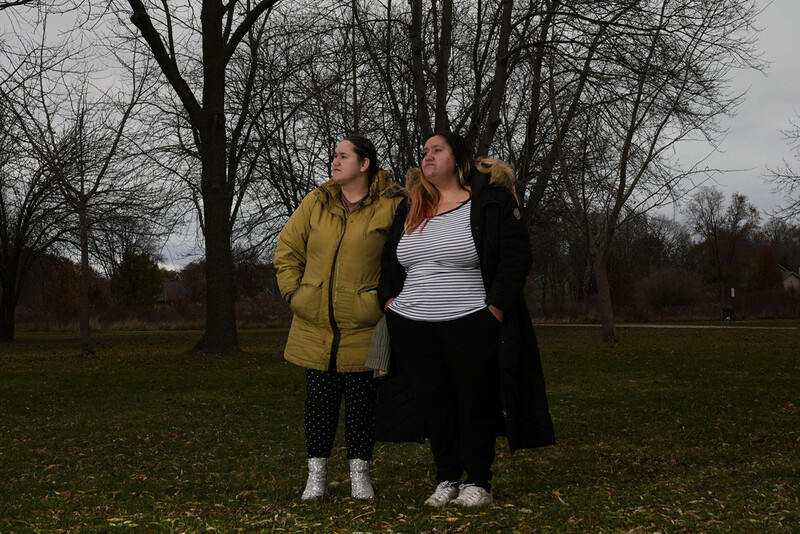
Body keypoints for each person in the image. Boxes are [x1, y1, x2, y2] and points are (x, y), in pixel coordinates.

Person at [377, 132, 555, 507]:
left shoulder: (491, 200)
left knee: (474, 401)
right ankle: (446, 479)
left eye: (437, 150)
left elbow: (515, 257)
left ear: (458, 159)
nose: (427, 156)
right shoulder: (411, 205)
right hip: (412, 324)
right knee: (435, 403)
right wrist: (390, 302)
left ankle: (478, 482)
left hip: (471, 319)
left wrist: (495, 310)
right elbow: (391, 261)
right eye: (424, 151)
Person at [274, 135, 404, 500]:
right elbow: (287, 250)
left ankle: (359, 476)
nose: (335, 162)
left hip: (364, 323)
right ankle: (316, 477)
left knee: (362, 405)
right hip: (314, 323)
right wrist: (293, 293)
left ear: (364, 164)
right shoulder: (316, 201)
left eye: (343, 156)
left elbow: (402, 258)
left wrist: (382, 299)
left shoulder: (392, 206)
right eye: (334, 155)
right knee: (319, 404)